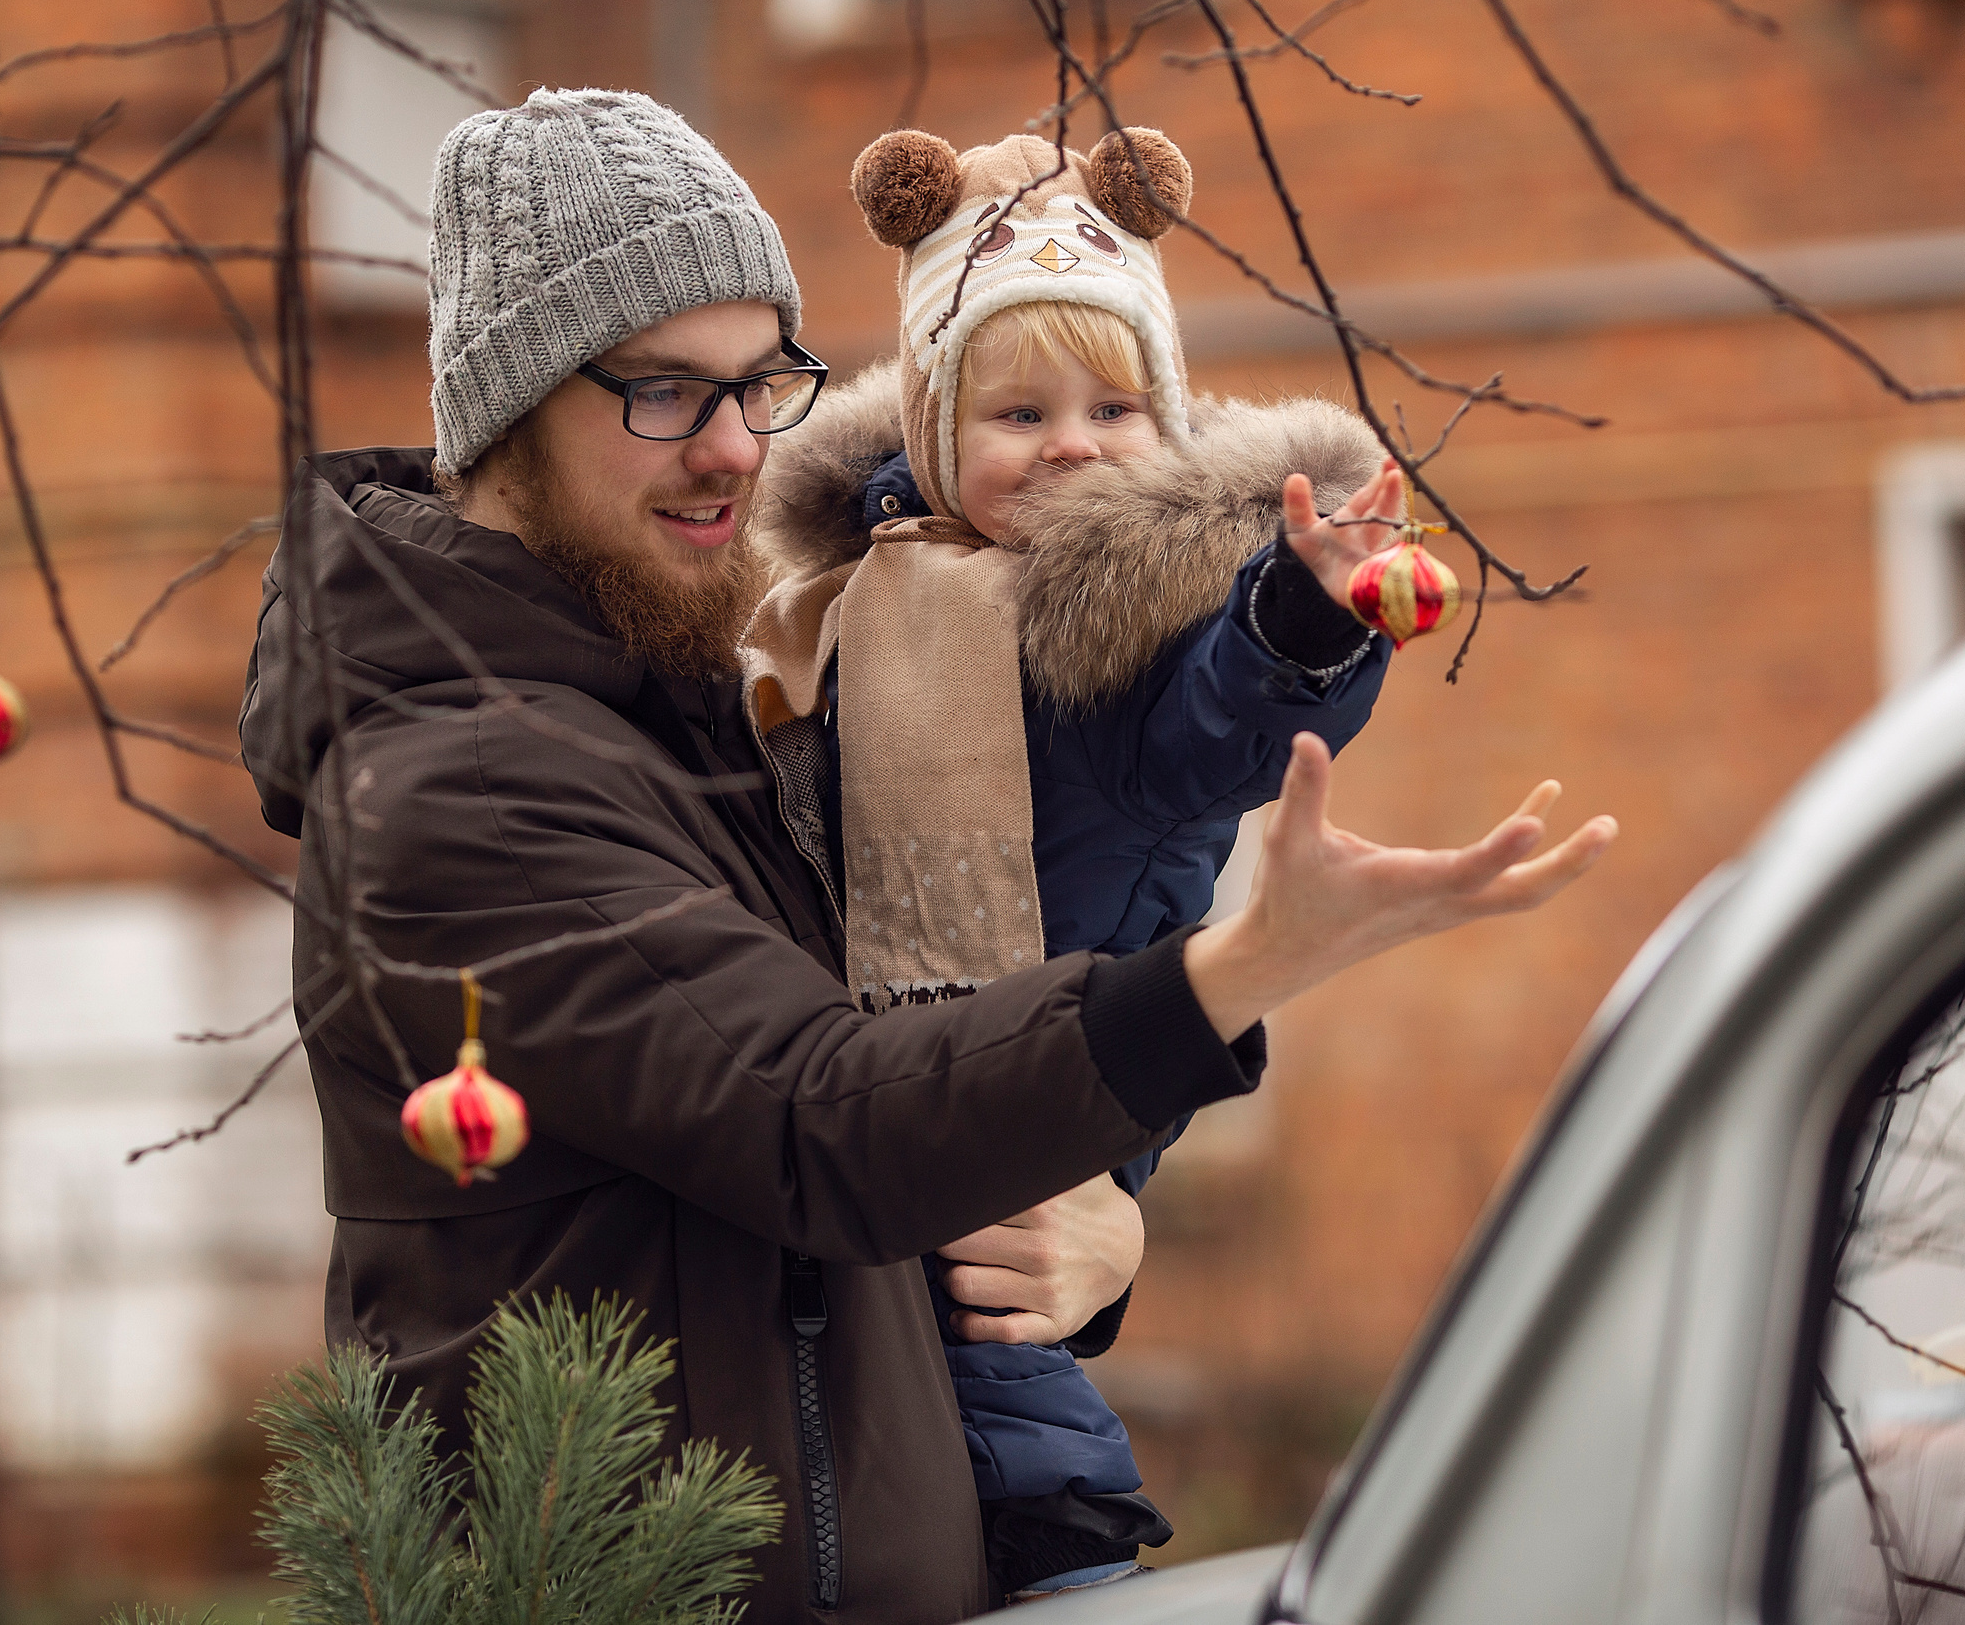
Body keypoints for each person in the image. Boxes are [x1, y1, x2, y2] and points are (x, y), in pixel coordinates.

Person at [239, 88, 1612, 1625]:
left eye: (764, 384)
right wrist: (1229, 972)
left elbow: (925, 1052)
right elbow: (820, 1118)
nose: (735, 450)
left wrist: (1086, 1218)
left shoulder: (703, 708)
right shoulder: (467, 786)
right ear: (505, 412)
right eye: (664, 395)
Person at [741, 125, 1414, 1600]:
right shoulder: (849, 608)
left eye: (1116, 406)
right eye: (1019, 408)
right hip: (852, 1131)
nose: (1071, 443)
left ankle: (1057, 1539)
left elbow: (1221, 733)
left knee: (1007, 1429)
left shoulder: (1126, 643)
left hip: (1025, 1130)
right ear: (929, 431)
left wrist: (1298, 627)